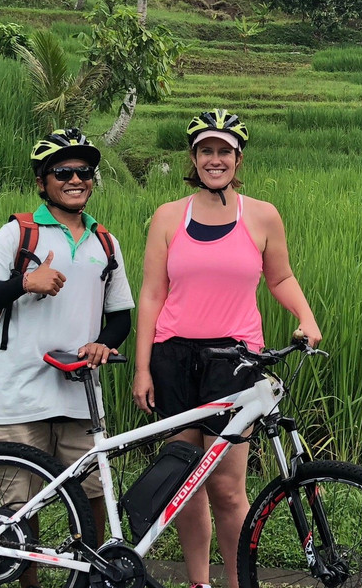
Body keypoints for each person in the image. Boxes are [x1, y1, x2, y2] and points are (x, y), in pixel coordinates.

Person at [132, 109, 321, 588]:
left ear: (238, 159)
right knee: (187, 483)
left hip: (236, 361)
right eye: (206, 151)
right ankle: (199, 582)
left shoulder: (261, 215)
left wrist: (306, 317)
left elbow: (280, 276)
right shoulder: (168, 216)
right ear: (193, 159)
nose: (215, 160)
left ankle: (237, 583)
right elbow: (152, 293)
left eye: (224, 152)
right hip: (174, 358)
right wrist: (142, 368)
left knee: (228, 487)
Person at [0, 127, 134, 585]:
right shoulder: (19, 234)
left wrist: (105, 342)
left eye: (84, 172)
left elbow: (120, 316)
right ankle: (30, 583)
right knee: (22, 507)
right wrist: (25, 282)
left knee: (95, 494)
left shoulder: (106, 243)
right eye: (63, 172)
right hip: (18, 393)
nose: (76, 180)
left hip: (79, 395)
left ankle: (95, 579)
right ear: (42, 181)